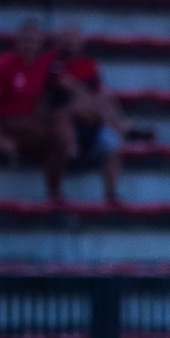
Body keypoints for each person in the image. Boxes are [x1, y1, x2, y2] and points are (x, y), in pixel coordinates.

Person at [0, 20, 67, 203]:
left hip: (30, 122)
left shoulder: (42, 65)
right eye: (25, 40)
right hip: (9, 122)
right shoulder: (3, 65)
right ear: (17, 42)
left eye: (33, 41)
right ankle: (55, 194)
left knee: (61, 124)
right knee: (57, 138)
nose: (29, 45)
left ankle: (54, 192)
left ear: (40, 43)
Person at [51, 25, 125, 205]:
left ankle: (112, 196)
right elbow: (67, 88)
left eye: (73, 38)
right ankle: (57, 192)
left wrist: (100, 109)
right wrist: (90, 99)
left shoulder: (89, 65)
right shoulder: (54, 63)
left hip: (90, 121)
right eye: (65, 38)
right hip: (67, 122)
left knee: (111, 145)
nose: (69, 42)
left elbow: (102, 94)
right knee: (71, 109)